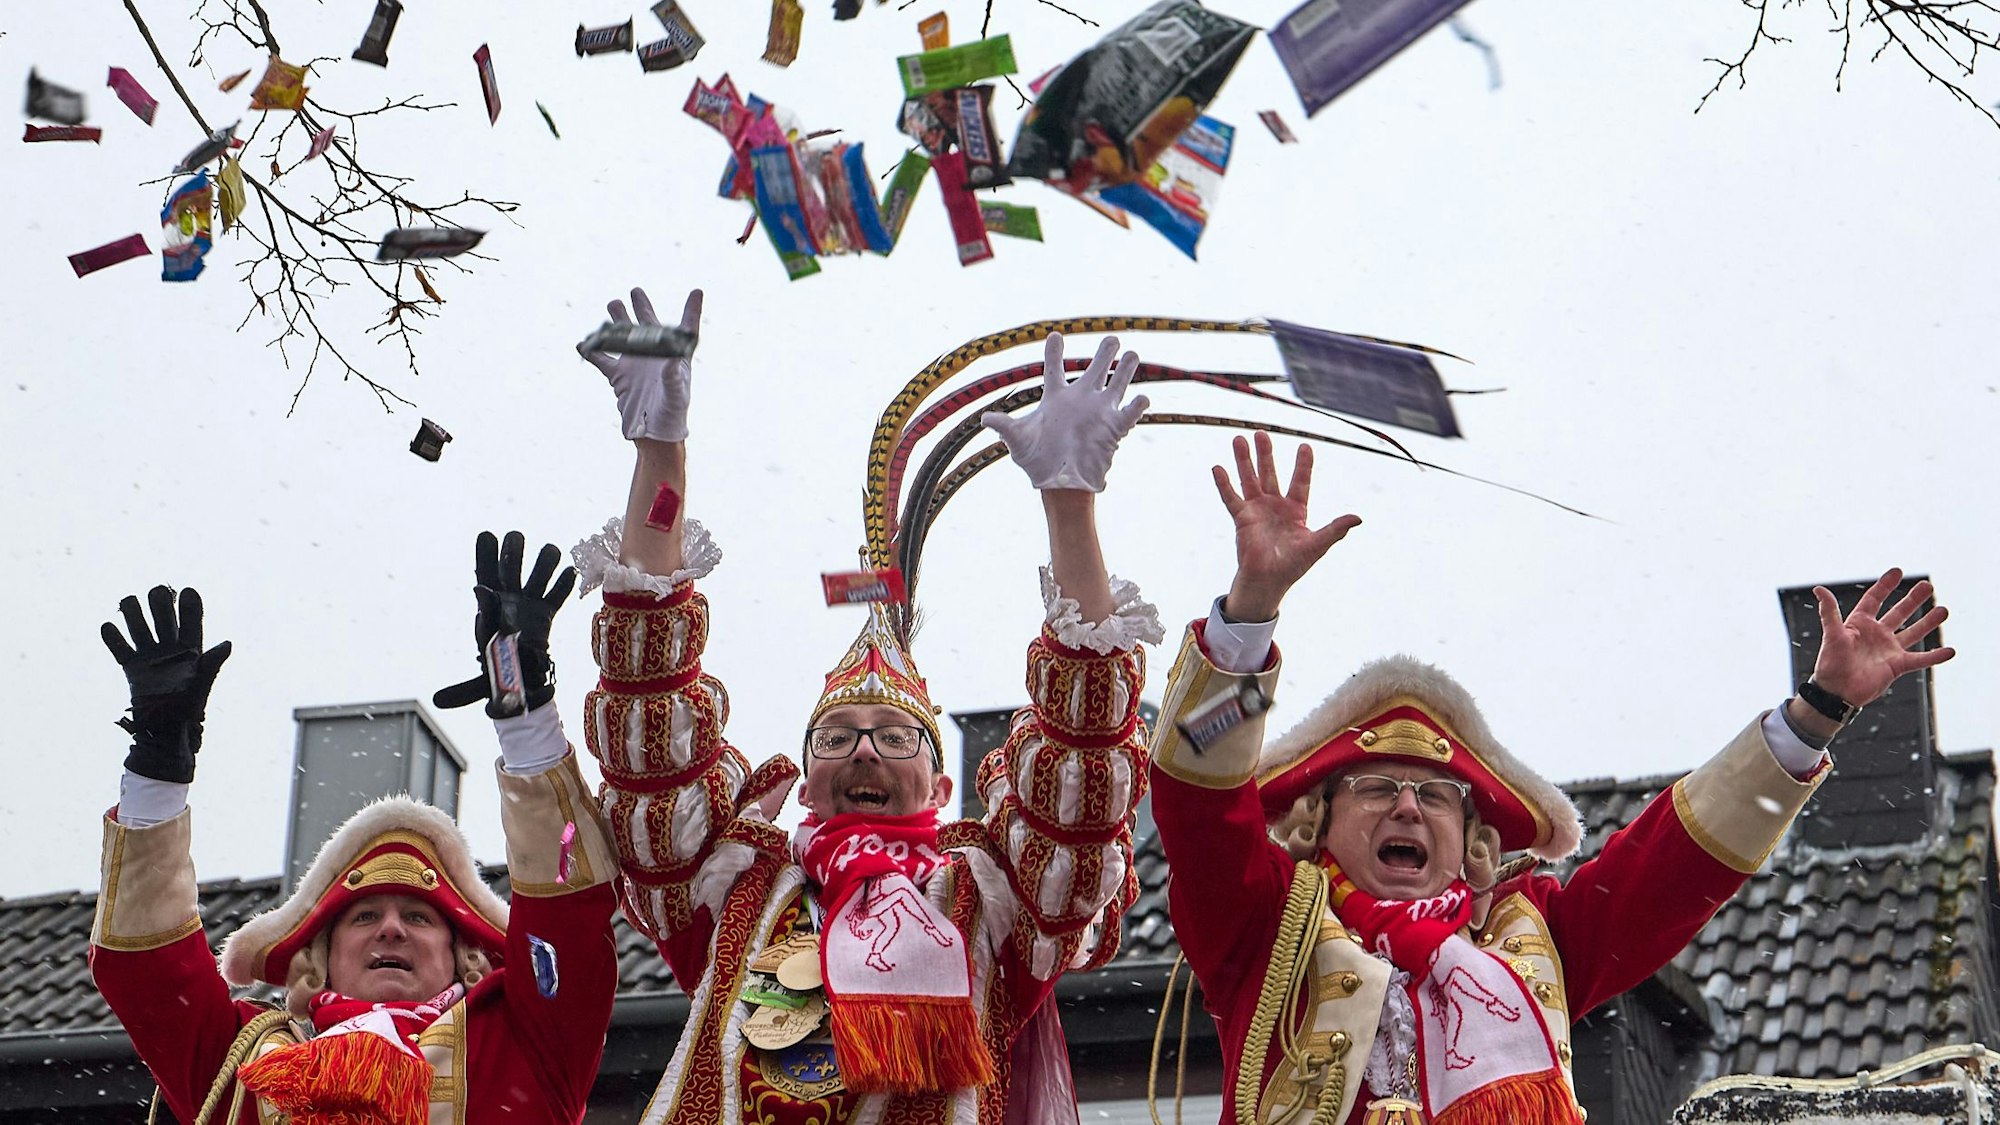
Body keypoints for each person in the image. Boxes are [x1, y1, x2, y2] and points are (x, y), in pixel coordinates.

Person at [1148, 432, 1956, 1125]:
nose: (1406, 804)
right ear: (1315, 821)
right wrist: (1249, 611)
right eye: (1374, 788)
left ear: (1472, 841)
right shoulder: (1266, 923)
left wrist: (1815, 712)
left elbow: (1670, 867)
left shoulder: (1532, 938)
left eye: (1435, 795)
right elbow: (1196, 797)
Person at [569, 286, 1163, 1124]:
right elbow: (649, 726)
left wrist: (1070, 508)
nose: (863, 752)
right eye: (838, 737)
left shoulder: (988, 899)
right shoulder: (738, 885)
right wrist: (660, 457)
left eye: (893, 736)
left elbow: (1083, 765)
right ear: (805, 784)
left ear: (942, 784)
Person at [90, 533, 623, 1125]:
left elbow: (567, 917)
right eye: (365, 915)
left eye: (419, 916)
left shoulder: (524, 1042)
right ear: (319, 954)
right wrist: (159, 768)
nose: (391, 929)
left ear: (461, 955)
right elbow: (149, 971)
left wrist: (520, 706)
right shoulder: (244, 1059)